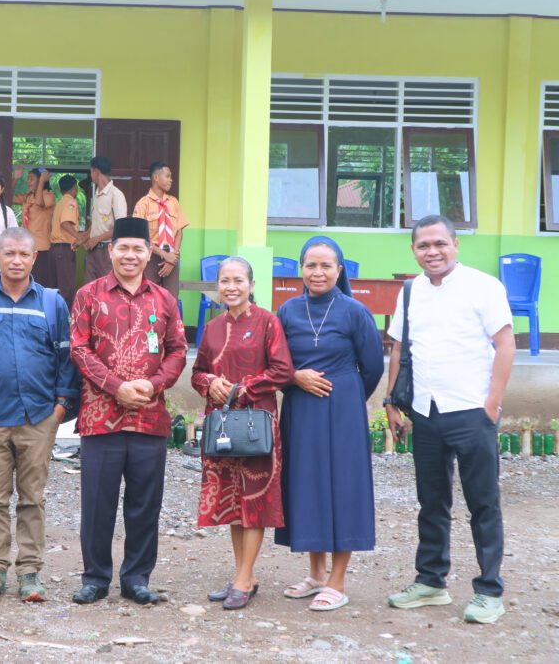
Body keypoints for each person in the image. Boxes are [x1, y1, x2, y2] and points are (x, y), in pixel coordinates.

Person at [385, 215, 515, 625]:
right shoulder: (409, 292)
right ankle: (431, 581)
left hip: (472, 412)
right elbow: (398, 348)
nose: (432, 252)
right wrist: (391, 401)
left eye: (440, 243)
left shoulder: (484, 286)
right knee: (432, 501)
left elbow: (505, 344)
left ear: (455, 245)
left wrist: (491, 405)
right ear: (413, 251)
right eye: (423, 245)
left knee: (483, 503)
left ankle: (489, 590)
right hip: (426, 412)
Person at [0, 226, 81, 603]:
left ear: (34, 258)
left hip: (39, 417)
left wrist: (60, 407)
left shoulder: (52, 303)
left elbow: (66, 358)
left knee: (32, 498)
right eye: (9, 254)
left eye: (23, 254)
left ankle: (29, 573)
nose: (16, 260)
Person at [69, 216, 188, 606]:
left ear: (149, 252)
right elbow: (79, 349)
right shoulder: (89, 294)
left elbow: (177, 351)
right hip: (100, 417)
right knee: (97, 503)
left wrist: (152, 386)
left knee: (144, 504)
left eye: (139, 248)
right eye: (123, 247)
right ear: (111, 250)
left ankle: (136, 577)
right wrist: (116, 387)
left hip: (149, 418)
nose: (131, 255)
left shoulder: (165, 299)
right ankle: (95, 577)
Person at [274, 236, 384, 611]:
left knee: (342, 488)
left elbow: (372, 367)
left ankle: (337, 580)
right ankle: (315, 573)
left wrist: (347, 397)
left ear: (340, 270)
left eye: (326, 266)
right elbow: (274, 363)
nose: (318, 272)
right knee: (308, 485)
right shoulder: (287, 311)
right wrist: (295, 378)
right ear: (300, 269)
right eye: (311, 265)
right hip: (301, 410)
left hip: (342, 413)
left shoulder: (355, 311)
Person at [190, 257, 294, 610]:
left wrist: (239, 389)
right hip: (221, 426)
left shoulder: (268, 322)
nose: (230, 287)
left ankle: (243, 578)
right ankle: (244, 576)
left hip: (256, 425)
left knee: (255, 500)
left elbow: (282, 370)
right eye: (224, 281)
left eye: (238, 280)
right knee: (234, 502)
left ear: (251, 284)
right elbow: (198, 371)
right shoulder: (213, 326)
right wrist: (210, 383)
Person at [133, 162, 188, 301]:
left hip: (172, 256)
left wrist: (172, 257)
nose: (171, 179)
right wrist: (163, 254)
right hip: (152, 257)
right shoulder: (143, 204)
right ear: (156, 178)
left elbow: (179, 232)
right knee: (148, 299)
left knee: (171, 300)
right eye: (167, 176)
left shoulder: (174, 202)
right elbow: (140, 236)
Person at [85, 156, 128, 283]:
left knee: (106, 288)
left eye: (91, 171)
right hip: (93, 251)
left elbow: (121, 228)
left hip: (107, 252)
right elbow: (95, 226)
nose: (90, 175)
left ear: (96, 172)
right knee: (90, 287)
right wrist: (82, 239)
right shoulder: (97, 195)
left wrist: (97, 239)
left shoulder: (116, 195)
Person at [12, 166, 56, 288]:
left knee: (39, 282)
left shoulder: (49, 196)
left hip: (41, 248)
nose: (28, 182)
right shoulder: (28, 197)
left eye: (31, 179)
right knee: (25, 281)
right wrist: (15, 179)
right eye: (28, 179)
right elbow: (8, 198)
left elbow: (39, 203)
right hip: (26, 246)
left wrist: (42, 181)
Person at [47, 175, 84, 306]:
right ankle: (65, 321)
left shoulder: (60, 202)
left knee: (55, 287)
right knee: (66, 289)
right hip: (64, 249)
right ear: (75, 188)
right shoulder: (70, 202)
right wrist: (81, 238)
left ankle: (54, 320)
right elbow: (65, 223)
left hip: (55, 249)